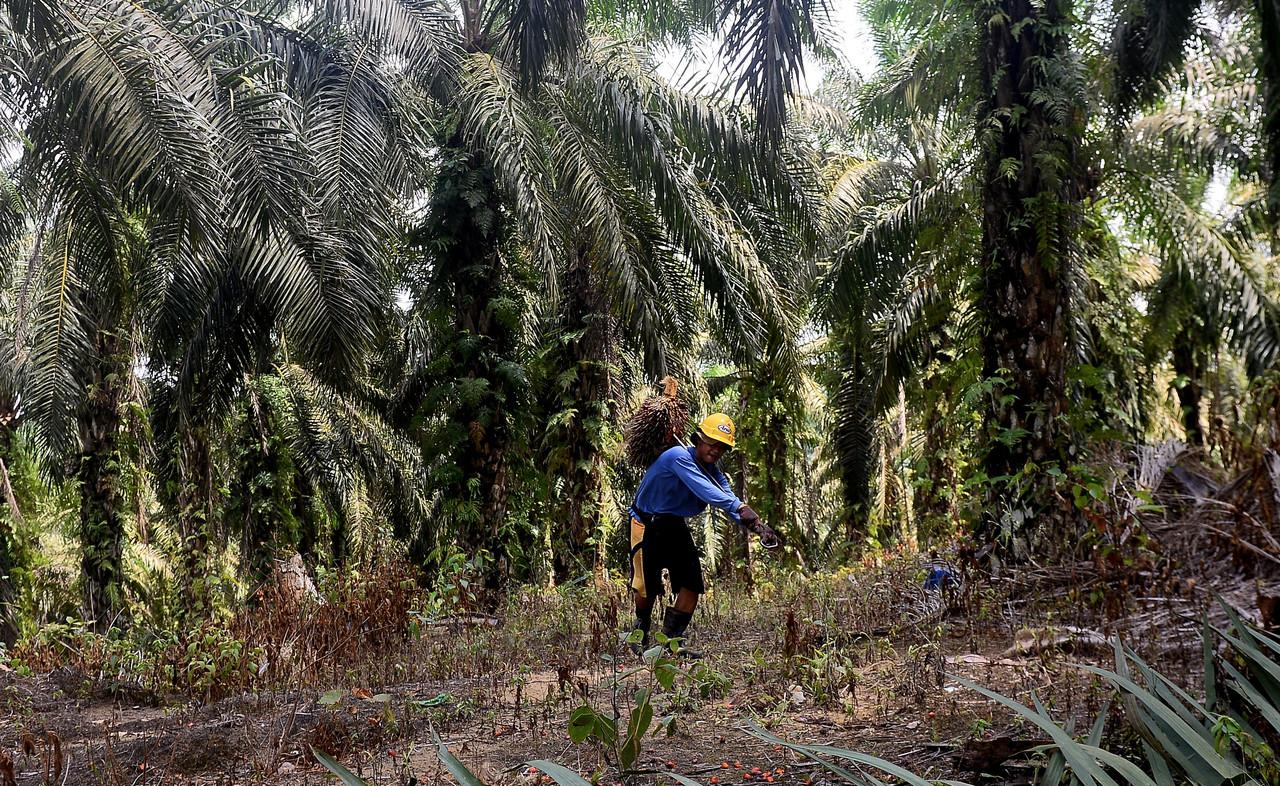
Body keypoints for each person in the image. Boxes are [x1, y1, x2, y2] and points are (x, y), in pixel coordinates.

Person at [627, 413, 778, 657]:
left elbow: (728, 497)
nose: (716, 450)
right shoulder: (677, 457)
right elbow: (711, 494)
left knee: (691, 583)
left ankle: (671, 643)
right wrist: (740, 508)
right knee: (645, 587)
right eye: (711, 443)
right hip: (646, 522)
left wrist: (758, 527)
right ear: (698, 439)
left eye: (722, 447)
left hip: (673, 523)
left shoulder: (713, 473)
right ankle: (640, 631)